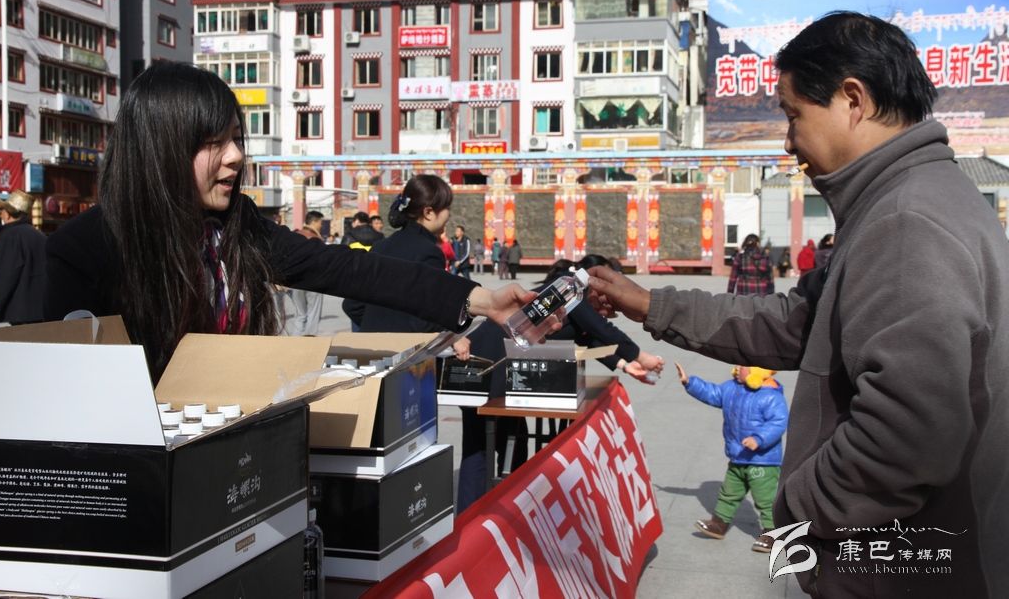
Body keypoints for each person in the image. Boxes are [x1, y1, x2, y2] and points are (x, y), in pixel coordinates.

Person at [585, 12, 1008, 599]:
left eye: (793, 115)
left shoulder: (906, 221)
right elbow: (795, 323)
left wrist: (798, 506)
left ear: (852, 100)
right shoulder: (911, 199)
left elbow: (908, 434)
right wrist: (650, 304)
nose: (789, 141)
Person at [43, 63, 535, 382]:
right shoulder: (87, 250)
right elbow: (60, 388)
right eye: (213, 143)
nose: (235, 157)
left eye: (236, 139)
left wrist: (482, 299)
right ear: (160, 147)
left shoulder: (237, 227)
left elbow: (349, 270)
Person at [456, 255, 664, 511]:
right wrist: (641, 356)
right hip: (483, 363)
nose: (610, 300)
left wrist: (625, 364)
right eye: (608, 290)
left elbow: (589, 338)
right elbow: (600, 328)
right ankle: (469, 517)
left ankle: (507, 508)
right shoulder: (566, 289)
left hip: (505, 374)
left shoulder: (571, 302)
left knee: (514, 440)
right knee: (478, 447)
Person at [676, 362, 788, 553]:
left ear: (755, 371)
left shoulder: (771, 396)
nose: (735, 370)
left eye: (741, 367)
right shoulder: (732, 388)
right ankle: (718, 524)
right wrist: (690, 382)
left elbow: (778, 422)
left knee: (766, 498)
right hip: (738, 457)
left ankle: (773, 533)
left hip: (763, 461)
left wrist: (759, 439)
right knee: (728, 493)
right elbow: (713, 393)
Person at [356, 175, 458, 333]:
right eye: (447, 208)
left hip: (371, 344)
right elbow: (427, 320)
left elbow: (352, 305)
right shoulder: (429, 253)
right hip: (407, 347)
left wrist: (376, 327)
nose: (449, 215)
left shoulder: (379, 247)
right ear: (428, 212)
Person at [0, 190, 47, 325]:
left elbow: (7, 272)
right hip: (40, 307)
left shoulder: (11, 235)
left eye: (2, 210)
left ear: (7, 214)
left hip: (21, 308)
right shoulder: (39, 235)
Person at [287, 210, 325, 336]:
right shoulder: (316, 239)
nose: (321, 225)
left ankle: (295, 340)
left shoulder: (295, 235)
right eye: (320, 222)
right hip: (313, 280)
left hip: (296, 281)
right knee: (313, 313)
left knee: (300, 314)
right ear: (314, 222)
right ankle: (310, 340)